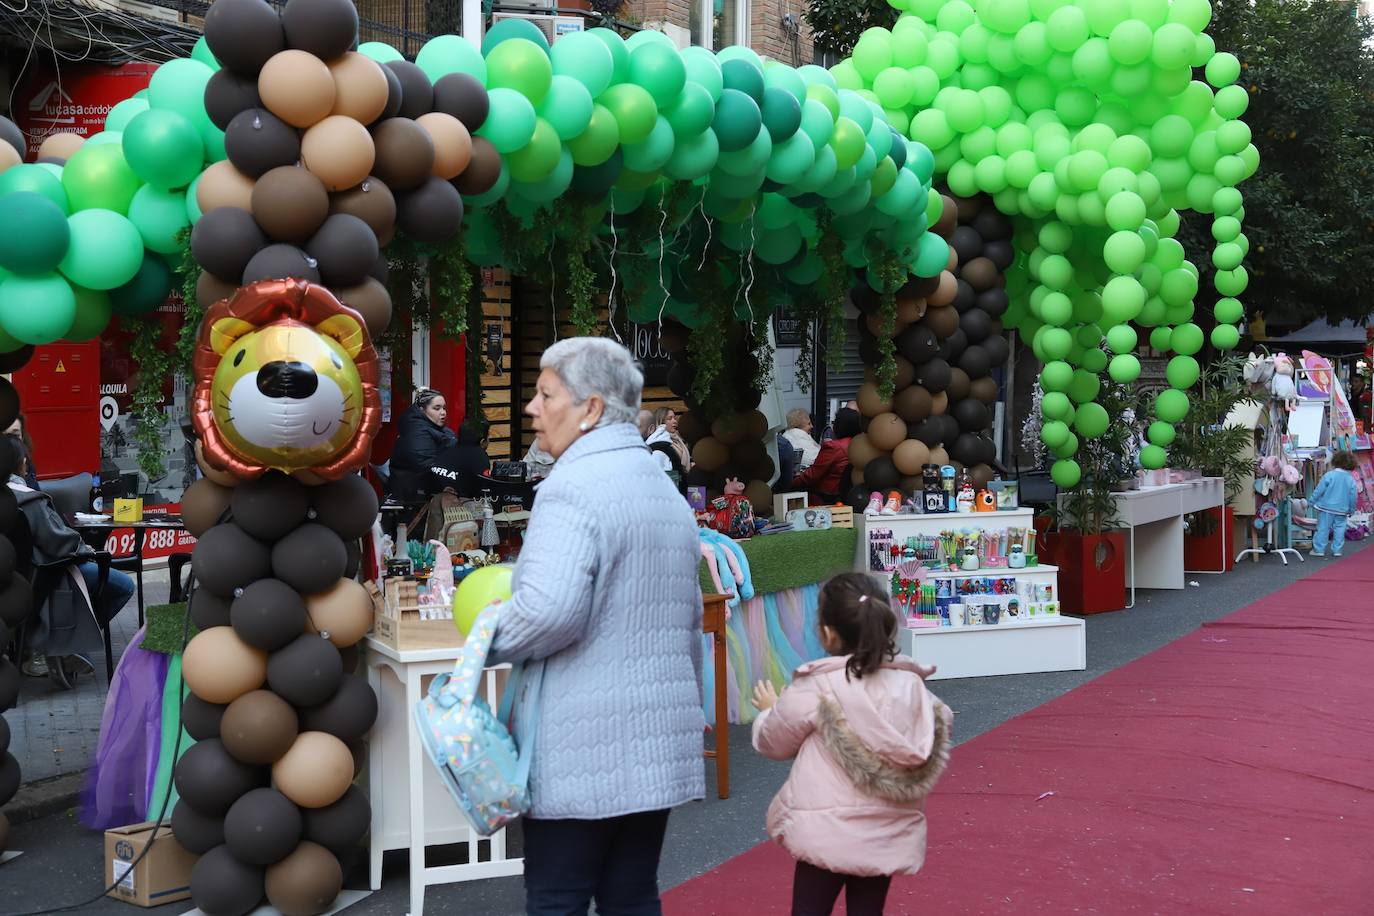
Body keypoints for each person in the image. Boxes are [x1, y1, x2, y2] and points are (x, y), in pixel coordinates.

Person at [488, 337, 703, 914]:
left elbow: (547, 613)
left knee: (557, 898)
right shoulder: (661, 487)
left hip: (582, 741)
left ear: (590, 409)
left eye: (544, 394)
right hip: (655, 734)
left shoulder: (572, 488)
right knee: (631, 895)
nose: (531, 408)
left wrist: (484, 636)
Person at [751, 573, 950, 916]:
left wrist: (769, 711)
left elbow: (775, 742)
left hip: (824, 831)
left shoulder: (817, 686)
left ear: (827, 634)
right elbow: (932, 728)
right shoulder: (912, 687)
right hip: (886, 831)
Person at [7, 440, 136, 681]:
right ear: (21, 463)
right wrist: (85, 548)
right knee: (123, 586)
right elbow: (57, 540)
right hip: (46, 573)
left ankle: (57, 645)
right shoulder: (29, 500)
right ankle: (62, 645)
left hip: (16, 580)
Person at [389, 388, 457, 502]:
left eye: (444, 408)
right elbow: (425, 464)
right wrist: (453, 477)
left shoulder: (435, 428)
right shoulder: (417, 431)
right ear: (422, 410)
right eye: (437, 408)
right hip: (415, 494)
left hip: (425, 489)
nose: (443, 412)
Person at [791, 408, 861, 503]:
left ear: (839, 425)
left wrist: (791, 482)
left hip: (824, 498)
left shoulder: (833, 447)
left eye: (834, 422)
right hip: (849, 498)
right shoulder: (860, 445)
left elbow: (812, 475)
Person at [1310, 450, 1360, 558]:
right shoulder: (1350, 479)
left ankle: (1319, 549)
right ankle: (1337, 550)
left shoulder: (1329, 475)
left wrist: (1312, 500)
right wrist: (1351, 509)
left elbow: (1319, 489)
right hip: (1342, 509)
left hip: (1326, 507)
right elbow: (1353, 496)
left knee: (1323, 528)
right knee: (1340, 530)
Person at [427, 417, 491, 497]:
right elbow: (484, 491)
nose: (490, 439)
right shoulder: (479, 456)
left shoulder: (448, 445)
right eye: (488, 436)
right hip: (455, 504)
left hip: (431, 497)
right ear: (482, 441)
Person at [653, 407, 693, 472]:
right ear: (661, 422)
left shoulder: (678, 438)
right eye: (669, 418)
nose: (674, 421)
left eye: (674, 418)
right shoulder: (659, 441)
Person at [6, 414, 39, 488]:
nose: (10, 441)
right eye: (2, 435)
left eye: (15, 435)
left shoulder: (27, 465)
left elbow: (35, 495)